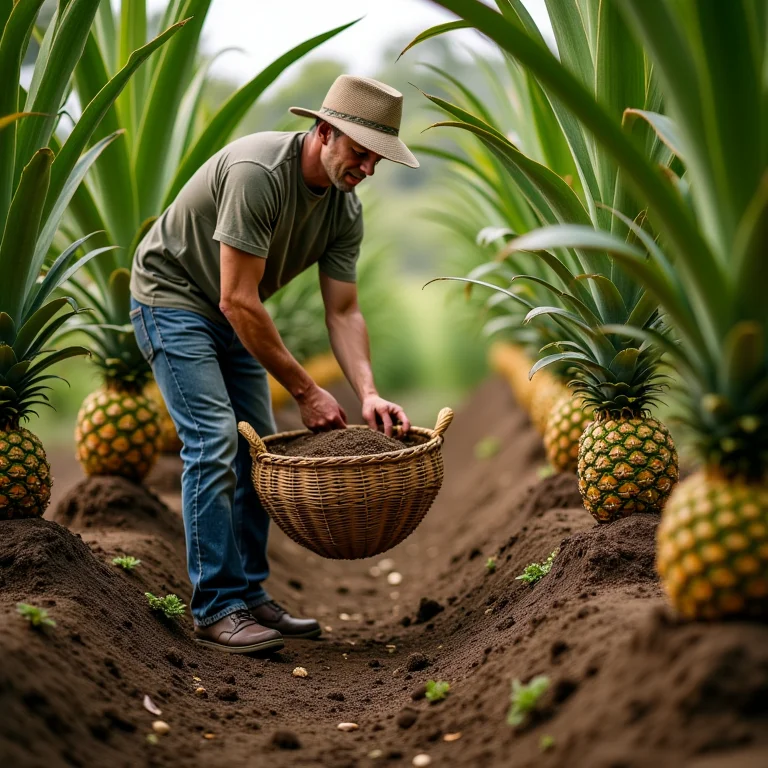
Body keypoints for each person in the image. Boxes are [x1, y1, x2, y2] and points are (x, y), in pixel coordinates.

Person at [129, 75, 418, 653]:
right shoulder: (259, 175)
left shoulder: (344, 211)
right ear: (325, 131)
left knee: (258, 446)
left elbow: (344, 310)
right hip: (173, 301)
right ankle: (216, 606)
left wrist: (366, 391)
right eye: (359, 153)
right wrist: (308, 390)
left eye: (377, 159)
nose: (366, 168)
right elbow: (236, 298)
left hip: (234, 313)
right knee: (213, 442)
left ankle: (248, 593)